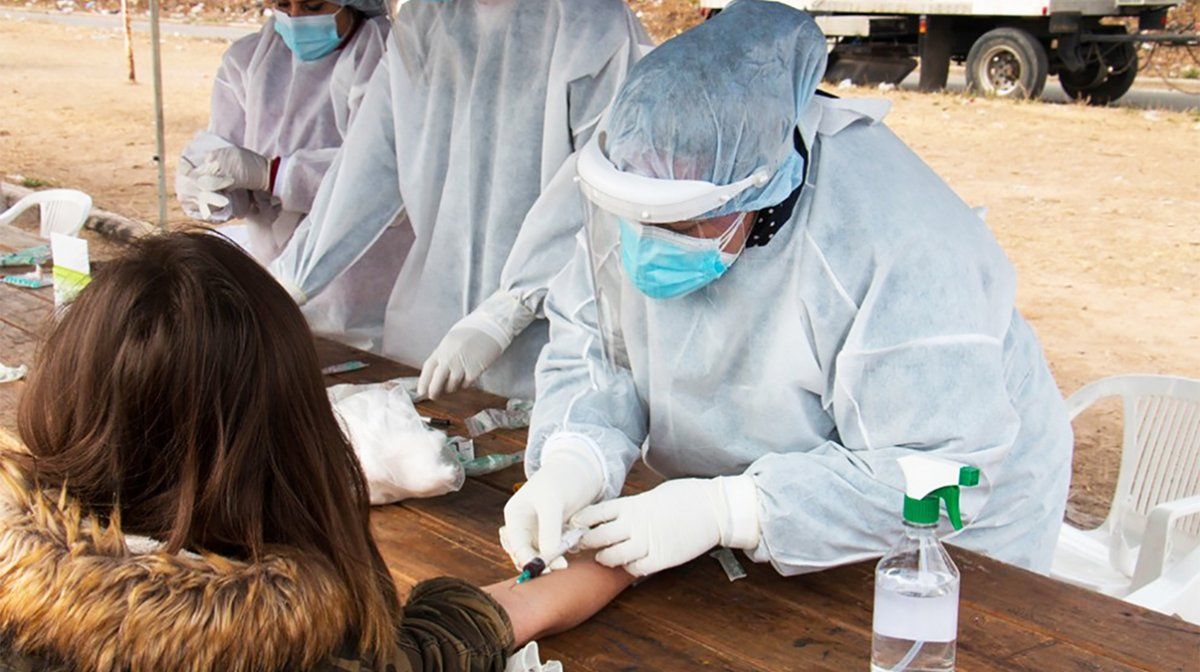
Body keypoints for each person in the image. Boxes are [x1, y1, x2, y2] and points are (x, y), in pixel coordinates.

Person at [500, 0, 1074, 580]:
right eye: (637, 219)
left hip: (958, 533)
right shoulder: (640, 178)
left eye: (683, 225)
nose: (649, 244)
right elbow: (594, 342)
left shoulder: (897, 242)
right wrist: (574, 458)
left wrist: (736, 509)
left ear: (757, 190)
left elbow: (938, 468)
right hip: (760, 520)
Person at [0, 231, 633, 671]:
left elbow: (433, 644)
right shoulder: (300, 646)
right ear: (295, 440)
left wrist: (626, 549)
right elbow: (421, 651)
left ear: (65, 399)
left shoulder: (21, 589)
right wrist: (629, 554)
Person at [269, 0, 651, 400]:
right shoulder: (423, 24)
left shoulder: (590, 25)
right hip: (428, 334)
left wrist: (509, 308)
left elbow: (603, 178)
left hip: (547, 346)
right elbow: (367, 165)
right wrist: (291, 280)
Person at [175, 0, 406, 350]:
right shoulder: (248, 61)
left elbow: (380, 175)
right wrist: (210, 186)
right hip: (273, 287)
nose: (296, 18)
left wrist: (273, 174)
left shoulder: (386, 58)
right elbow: (229, 161)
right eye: (283, 4)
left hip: (366, 301)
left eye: (313, 6)